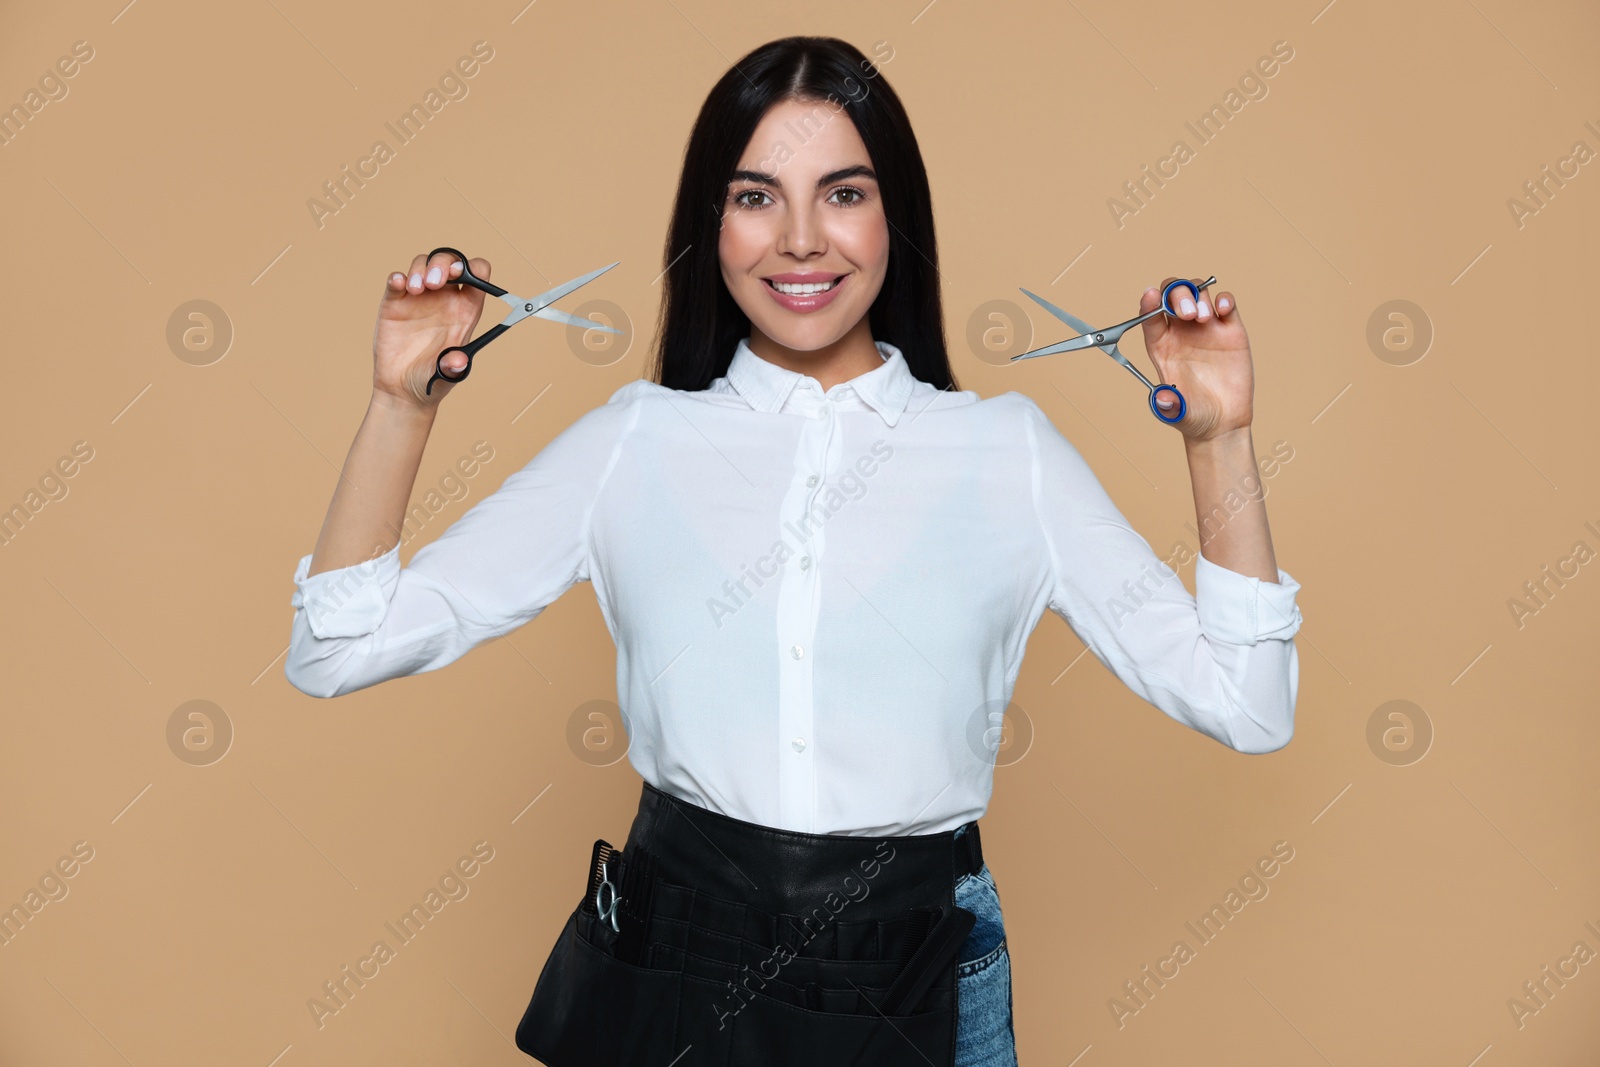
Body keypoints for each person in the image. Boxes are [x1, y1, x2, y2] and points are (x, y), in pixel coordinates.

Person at [285, 35, 1302, 1067]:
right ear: (711, 225)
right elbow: (337, 649)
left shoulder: (1007, 452)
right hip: (674, 960)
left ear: (893, 216)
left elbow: (1247, 702)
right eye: (757, 196)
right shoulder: (634, 441)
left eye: (844, 193)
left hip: (916, 967)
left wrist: (1219, 442)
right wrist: (395, 407)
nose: (803, 239)